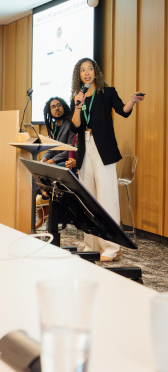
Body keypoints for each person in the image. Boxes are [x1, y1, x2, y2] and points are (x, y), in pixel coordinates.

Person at [70, 57, 144, 261]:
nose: (87, 73)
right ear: (79, 75)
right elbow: (75, 126)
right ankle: (90, 244)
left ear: (96, 72)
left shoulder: (107, 92)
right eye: (83, 70)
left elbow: (123, 111)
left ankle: (112, 247)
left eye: (90, 69)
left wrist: (132, 101)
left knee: (107, 197)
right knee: (88, 199)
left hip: (103, 148)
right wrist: (78, 105)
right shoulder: (78, 96)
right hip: (85, 149)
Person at [40, 97, 75, 166]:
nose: (56, 108)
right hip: (56, 161)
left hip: (65, 162)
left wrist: (51, 161)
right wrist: (43, 159)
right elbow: (51, 149)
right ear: (50, 112)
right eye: (53, 107)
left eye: (59, 105)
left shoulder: (70, 125)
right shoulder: (55, 128)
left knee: (47, 169)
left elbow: (69, 150)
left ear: (64, 107)